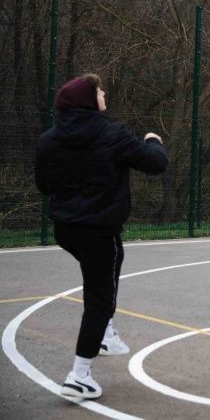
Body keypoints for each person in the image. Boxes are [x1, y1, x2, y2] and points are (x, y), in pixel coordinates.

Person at [34, 73, 168, 400]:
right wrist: (153, 141)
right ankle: (79, 375)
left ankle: (105, 332)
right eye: (99, 91)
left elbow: (42, 185)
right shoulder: (111, 134)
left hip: (67, 229)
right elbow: (155, 163)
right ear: (88, 100)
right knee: (99, 297)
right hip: (98, 230)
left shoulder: (49, 140)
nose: (105, 93)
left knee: (113, 260)